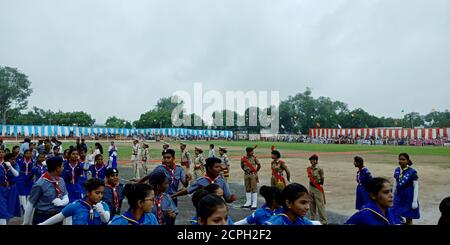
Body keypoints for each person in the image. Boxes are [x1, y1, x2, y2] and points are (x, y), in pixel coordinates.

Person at [38, 178, 110, 225]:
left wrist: (102, 212)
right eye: (97, 193)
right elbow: (59, 217)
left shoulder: (104, 206)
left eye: (102, 193)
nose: (100, 196)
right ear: (88, 192)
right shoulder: (76, 205)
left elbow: (106, 219)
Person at [23, 157, 69, 225]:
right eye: (62, 166)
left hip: (57, 217)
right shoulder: (40, 183)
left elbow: (66, 196)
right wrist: (26, 222)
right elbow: (30, 203)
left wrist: (62, 203)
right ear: (57, 168)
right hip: (43, 216)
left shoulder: (61, 180)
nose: (63, 168)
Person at [172, 157, 236, 203]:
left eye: (220, 166)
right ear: (209, 168)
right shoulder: (200, 181)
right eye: (217, 167)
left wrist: (231, 198)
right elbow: (187, 190)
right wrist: (173, 195)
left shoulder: (221, 182)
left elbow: (227, 199)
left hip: (217, 211)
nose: (220, 169)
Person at [393, 153, 420, 225]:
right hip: (398, 196)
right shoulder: (397, 170)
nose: (401, 161)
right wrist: (392, 194)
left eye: (403, 159)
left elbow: (416, 187)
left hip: (408, 197)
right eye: (400, 159)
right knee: (395, 214)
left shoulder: (412, 172)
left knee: (409, 218)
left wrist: (414, 201)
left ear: (408, 161)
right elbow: (395, 183)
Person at [0, 151, 20, 225]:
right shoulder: (2, 165)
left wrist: (10, 167)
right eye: (12, 159)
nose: (14, 161)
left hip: (11, 189)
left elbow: (16, 174)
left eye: (2, 152)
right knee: (2, 211)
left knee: (9, 210)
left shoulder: (14, 165)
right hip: (1, 189)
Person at [307, 154, 327, 224]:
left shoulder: (319, 169)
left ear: (316, 161)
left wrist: (320, 185)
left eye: (314, 160)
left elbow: (322, 178)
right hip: (311, 188)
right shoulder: (309, 168)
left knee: (320, 205)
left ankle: (324, 221)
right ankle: (313, 219)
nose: (312, 161)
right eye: (311, 160)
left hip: (317, 188)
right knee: (311, 205)